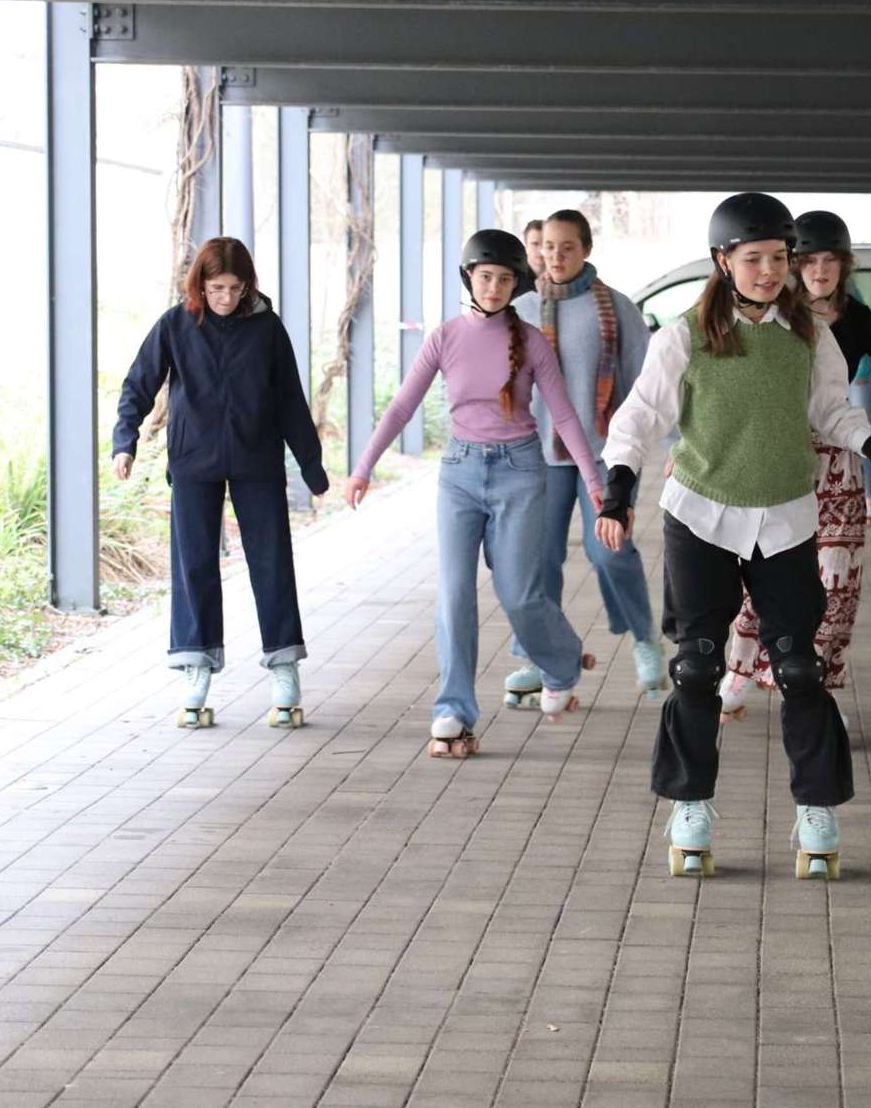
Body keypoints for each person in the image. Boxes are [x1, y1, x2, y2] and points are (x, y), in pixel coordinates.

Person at [594, 194, 871, 882]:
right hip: (702, 514)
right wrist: (617, 491)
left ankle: (817, 811)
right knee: (699, 665)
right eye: (755, 260)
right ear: (723, 262)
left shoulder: (807, 332)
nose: (770, 272)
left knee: (801, 666)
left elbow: (830, 409)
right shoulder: (687, 334)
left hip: (787, 516)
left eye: (778, 259)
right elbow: (639, 420)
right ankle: (691, 805)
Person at [345, 230, 604, 758]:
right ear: (469, 278)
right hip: (459, 474)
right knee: (455, 594)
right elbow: (400, 409)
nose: (493, 287)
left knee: (519, 595)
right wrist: (363, 467)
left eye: (504, 279)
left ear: (515, 285)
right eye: (485, 277)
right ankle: (452, 710)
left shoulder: (532, 341)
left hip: (520, 473)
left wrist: (597, 484)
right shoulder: (444, 337)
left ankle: (561, 661)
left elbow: (565, 415)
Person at [718, 210, 871, 715]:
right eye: (809, 261)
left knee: (836, 580)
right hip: (775, 458)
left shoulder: (858, 322)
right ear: (794, 266)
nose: (820, 271)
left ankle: (814, 687)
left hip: (841, 460)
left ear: (844, 266)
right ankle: (740, 668)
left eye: (831, 261)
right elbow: (724, 391)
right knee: (766, 574)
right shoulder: (768, 316)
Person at [113, 237, 328, 729]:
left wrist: (311, 468)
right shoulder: (175, 324)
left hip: (257, 460)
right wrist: (125, 440)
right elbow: (138, 384)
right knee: (195, 564)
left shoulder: (267, 329)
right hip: (194, 461)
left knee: (271, 561)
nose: (226, 299)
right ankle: (196, 666)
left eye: (234, 288)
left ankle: (284, 666)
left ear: (248, 285)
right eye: (216, 289)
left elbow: (290, 399)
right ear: (200, 286)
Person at [503, 209, 664, 703]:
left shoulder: (617, 310)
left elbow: (644, 385)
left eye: (566, 247)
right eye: (548, 246)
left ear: (586, 250)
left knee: (608, 550)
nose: (555, 255)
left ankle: (645, 640)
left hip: (604, 454)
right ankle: (538, 653)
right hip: (542, 456)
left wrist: (646, 451)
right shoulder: (521, 310)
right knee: (540, 558)